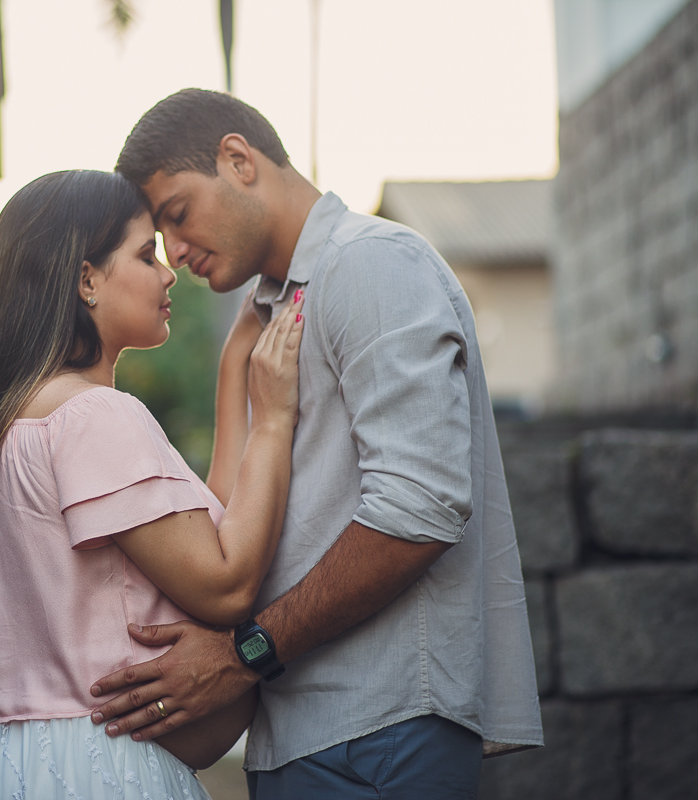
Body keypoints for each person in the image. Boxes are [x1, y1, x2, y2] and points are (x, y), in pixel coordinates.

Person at [88, 89, 544, 799]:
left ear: (238, 159)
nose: (173, 254)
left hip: (385, 729)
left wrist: (247, 655)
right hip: (297, 732)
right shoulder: (264, 313)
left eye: (177, 215)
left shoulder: (372, 265)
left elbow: (419, 508)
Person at [0, 169, 307, 799]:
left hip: (17, 758)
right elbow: (224, 584)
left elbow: (208, 528)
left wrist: (234, 370)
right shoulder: (95, 416)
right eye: (146, 255)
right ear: (86, 279)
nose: (169, 273)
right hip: (101, 767)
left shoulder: (20, 419)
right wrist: (273, 420)